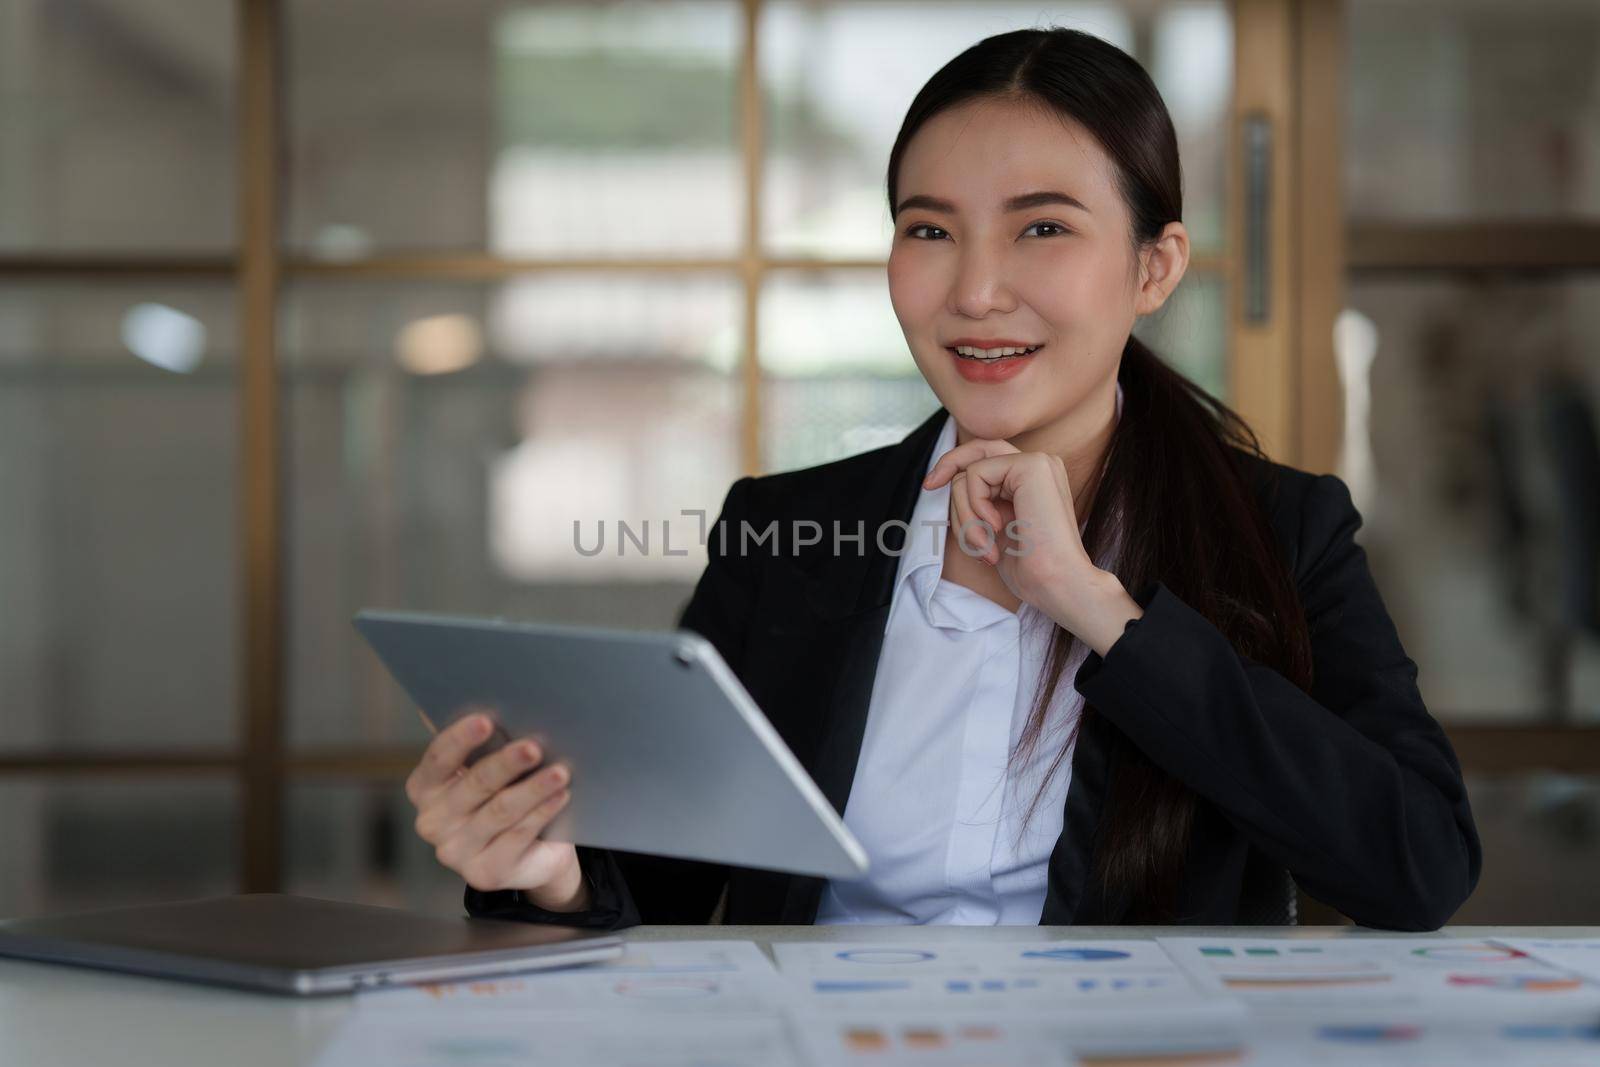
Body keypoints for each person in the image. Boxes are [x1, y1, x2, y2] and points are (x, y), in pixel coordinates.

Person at [403, 27, 1481, 930]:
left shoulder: (1280, 528)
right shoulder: (786, 531)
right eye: (929, 230)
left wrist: (1103, 613)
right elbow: (663, 892)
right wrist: (548, 870)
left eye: (1043, 229)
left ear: (1154, 265)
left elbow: (1416, 864)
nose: (973, 291)